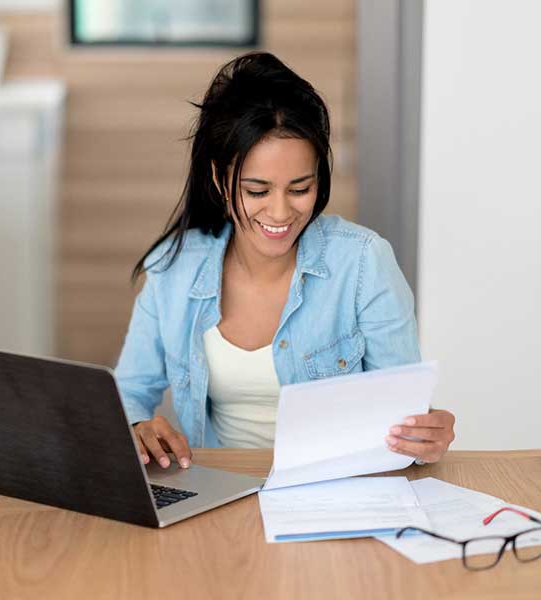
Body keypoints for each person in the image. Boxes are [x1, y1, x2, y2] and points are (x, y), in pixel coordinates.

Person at [115, 51, 455, 470]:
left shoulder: (363, 263)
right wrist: (136, 426)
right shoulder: (173, 268)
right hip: (221, 491)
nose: (280, 213)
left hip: (334, 493)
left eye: (300, 188)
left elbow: (406, 420)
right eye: (257, 191)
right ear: (221, 179)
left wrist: (425, 439)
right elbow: (127, 392)